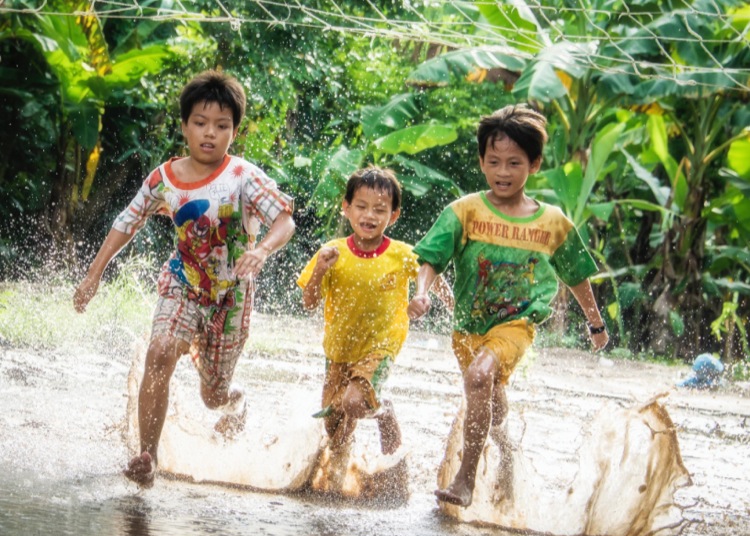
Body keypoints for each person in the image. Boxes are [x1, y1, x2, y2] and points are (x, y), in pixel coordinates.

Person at [74, 70, 295, 487]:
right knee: (160, 352)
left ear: (234, 131)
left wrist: (261, 250)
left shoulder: (243, 176)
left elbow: (284, 221)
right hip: (183, 283)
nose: (209, 133)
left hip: (231, 297)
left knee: (212, 395)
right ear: (184, 126)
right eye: (200, 123)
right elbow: (128, 221)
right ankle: (147, 457)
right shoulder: (164, 179)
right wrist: (93, 275)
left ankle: (235, 403)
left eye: (221, 126)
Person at [407, 104, 609, 507]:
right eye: (494, 161)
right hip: (468, 327)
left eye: (514, 162)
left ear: (533, 164)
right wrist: (422, 291)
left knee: (480, 377)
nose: (503, 171)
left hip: (517, 325)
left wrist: (595, 323)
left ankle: (465, 479)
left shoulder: (551, 222)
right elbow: (430, 257)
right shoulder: (463, 212)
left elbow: (575, 274)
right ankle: (507, 452)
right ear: (482, 162)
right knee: (492, 404)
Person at [297, 167, 452, 457]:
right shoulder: (331, 252)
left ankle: (383, 413)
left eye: (380, 210)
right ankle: (338, 478)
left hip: (381, 345)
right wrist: (319, 270)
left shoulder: (403, 254)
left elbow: (433, 277)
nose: (369, 216)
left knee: (355, 403)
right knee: (334, 429)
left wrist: (428, 297)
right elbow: (308, 302)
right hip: (339, 349)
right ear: (346, 208)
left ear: (393, 216)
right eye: (361, 207)